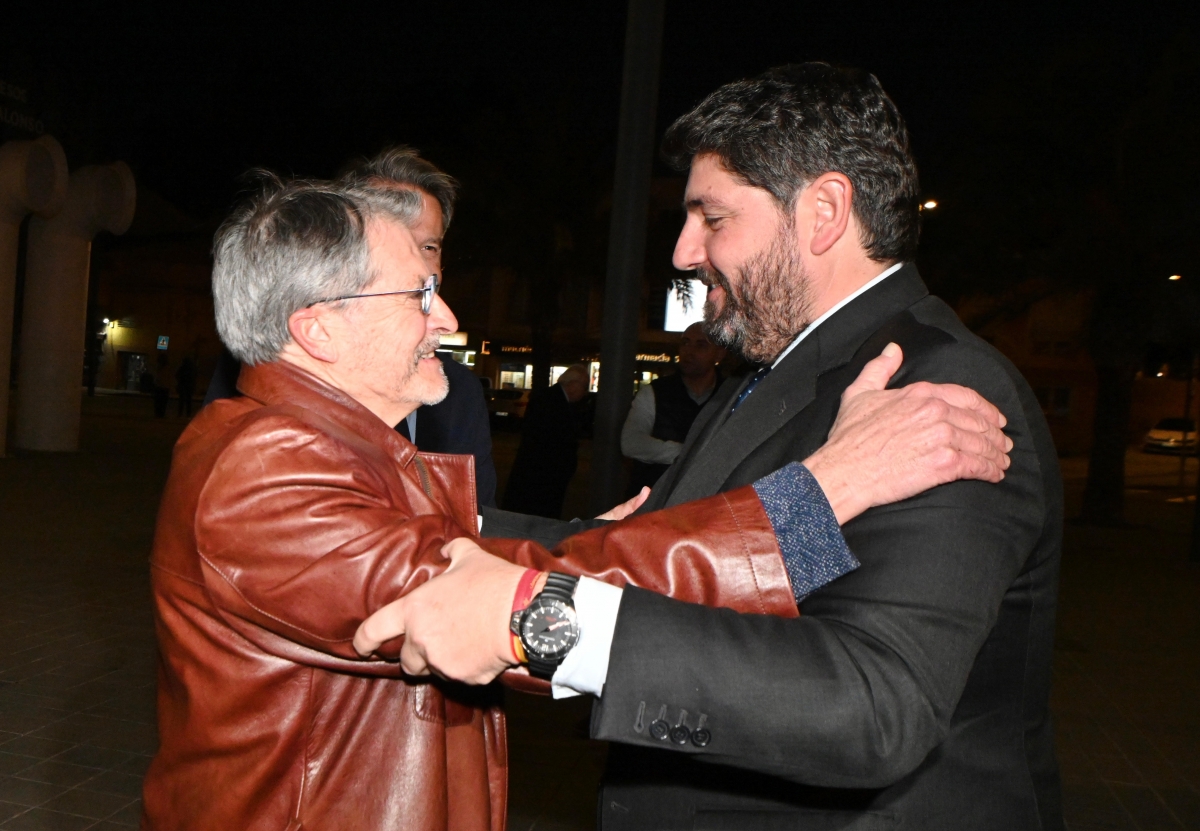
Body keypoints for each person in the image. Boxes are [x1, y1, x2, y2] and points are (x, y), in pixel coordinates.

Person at [144, 172, 1010, 830]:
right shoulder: (264, 465)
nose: (446, 317)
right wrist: (826, 493)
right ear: (317, 327)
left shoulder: (321, 443)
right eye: (416, 293)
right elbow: (483, 602)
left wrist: (587, 540)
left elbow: (489, 556)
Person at [360, 63, 1063, 831]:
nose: (684, 251)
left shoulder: (937, 387)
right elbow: (688, 559)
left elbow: (873, 702)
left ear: (824, 211)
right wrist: (408, 513)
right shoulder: (769, 372)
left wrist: (545, 621)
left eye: (713, 217)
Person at [202, 147, 499, 507]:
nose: (418, 262)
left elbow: (473, 529)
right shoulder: (265, 456)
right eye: (392, 239)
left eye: (429, 245)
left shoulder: (456, 389)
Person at [621, 322, 725, 493]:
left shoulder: (729, 395)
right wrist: (686, 453)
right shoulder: (655, 392)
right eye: (685, 343)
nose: (689, 352)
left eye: (701, 345)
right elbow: (631, 442)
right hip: (655, 499)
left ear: (719, 354)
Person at [501, 364, 589, 518]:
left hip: (538, 477)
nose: (585, 392)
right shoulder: (554, 403)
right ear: (573, 385)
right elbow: (553, 443)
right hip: (543, 479)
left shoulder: (550, 398)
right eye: (584, 386)